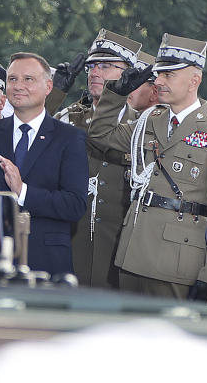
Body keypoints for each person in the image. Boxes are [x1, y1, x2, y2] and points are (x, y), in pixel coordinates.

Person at [86, 33, 207, 299]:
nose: (158, 81)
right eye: (159, 74)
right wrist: (116, 94)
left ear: (195, 80)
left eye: (169, 75)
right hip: (132, 254)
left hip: (178, 263)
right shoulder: (150, 121)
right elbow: (100, 135)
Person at [0, 52, 87, 276]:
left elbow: (74, 205)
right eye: (13, 79)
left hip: (46, 262)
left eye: (28, 79)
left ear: (48, 86)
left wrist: (22, 191)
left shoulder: (69, 137)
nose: (18, 86)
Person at [58, 30, 143, 289]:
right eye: (92, 66)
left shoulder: (142, 125)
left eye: (106, 66)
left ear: (128, 74)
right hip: (72, 236)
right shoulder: (69, 119)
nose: (95, 72)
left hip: (118, 243)